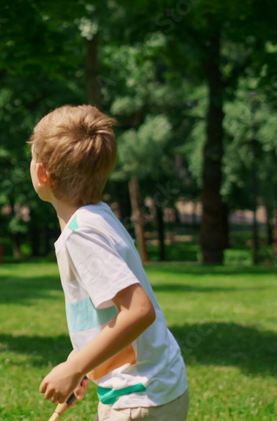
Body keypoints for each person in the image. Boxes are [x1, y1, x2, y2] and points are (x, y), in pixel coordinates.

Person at [29, 105, 188, 421]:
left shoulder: (82, 233)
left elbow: (139, 311)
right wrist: (84, 365)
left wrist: (73, 368)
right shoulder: (98, 217)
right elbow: (109, 313)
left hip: (137, 398)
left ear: (41, 172)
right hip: (157, 389)